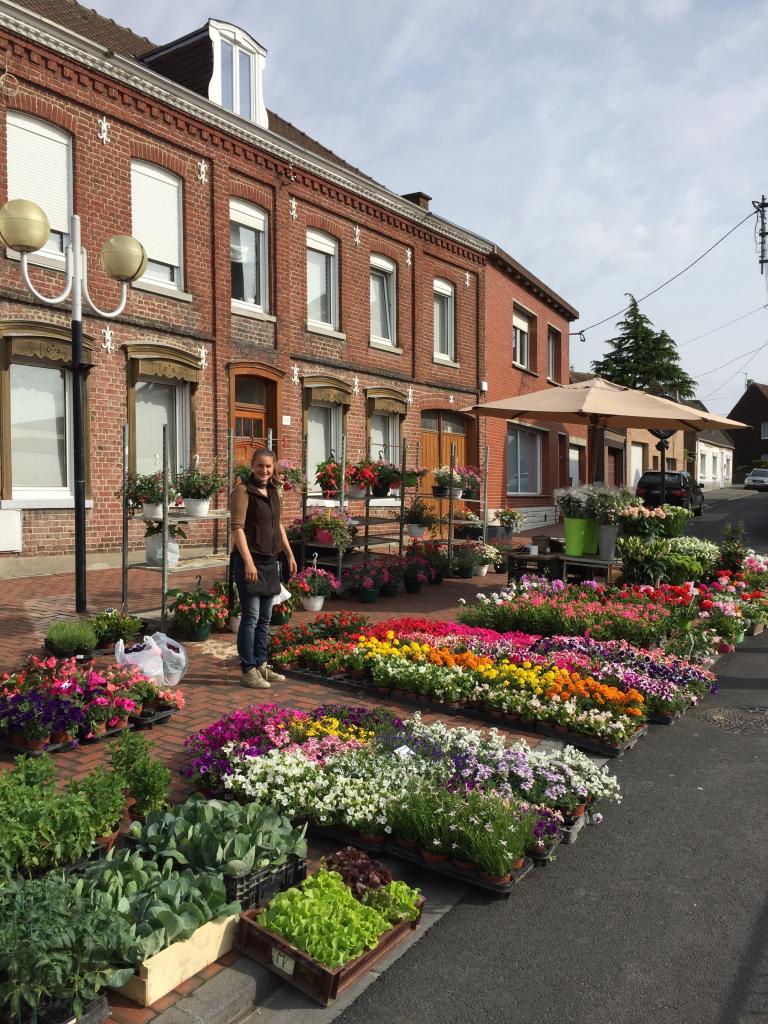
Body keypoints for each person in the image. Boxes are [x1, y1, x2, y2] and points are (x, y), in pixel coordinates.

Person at [229, 448, 297, 688]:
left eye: (268, 466)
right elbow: (237, 528)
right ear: (252, 465)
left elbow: (278, 525)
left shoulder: (273, 491)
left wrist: (289, 554)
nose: (264, 471)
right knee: (251, 617)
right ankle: (248, 669)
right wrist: (247, 561)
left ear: (273, 468)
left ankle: (260, 664)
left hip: (270, 562)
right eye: (260, 466)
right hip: (250, 560)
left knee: (266, 618)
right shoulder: (242, 491)